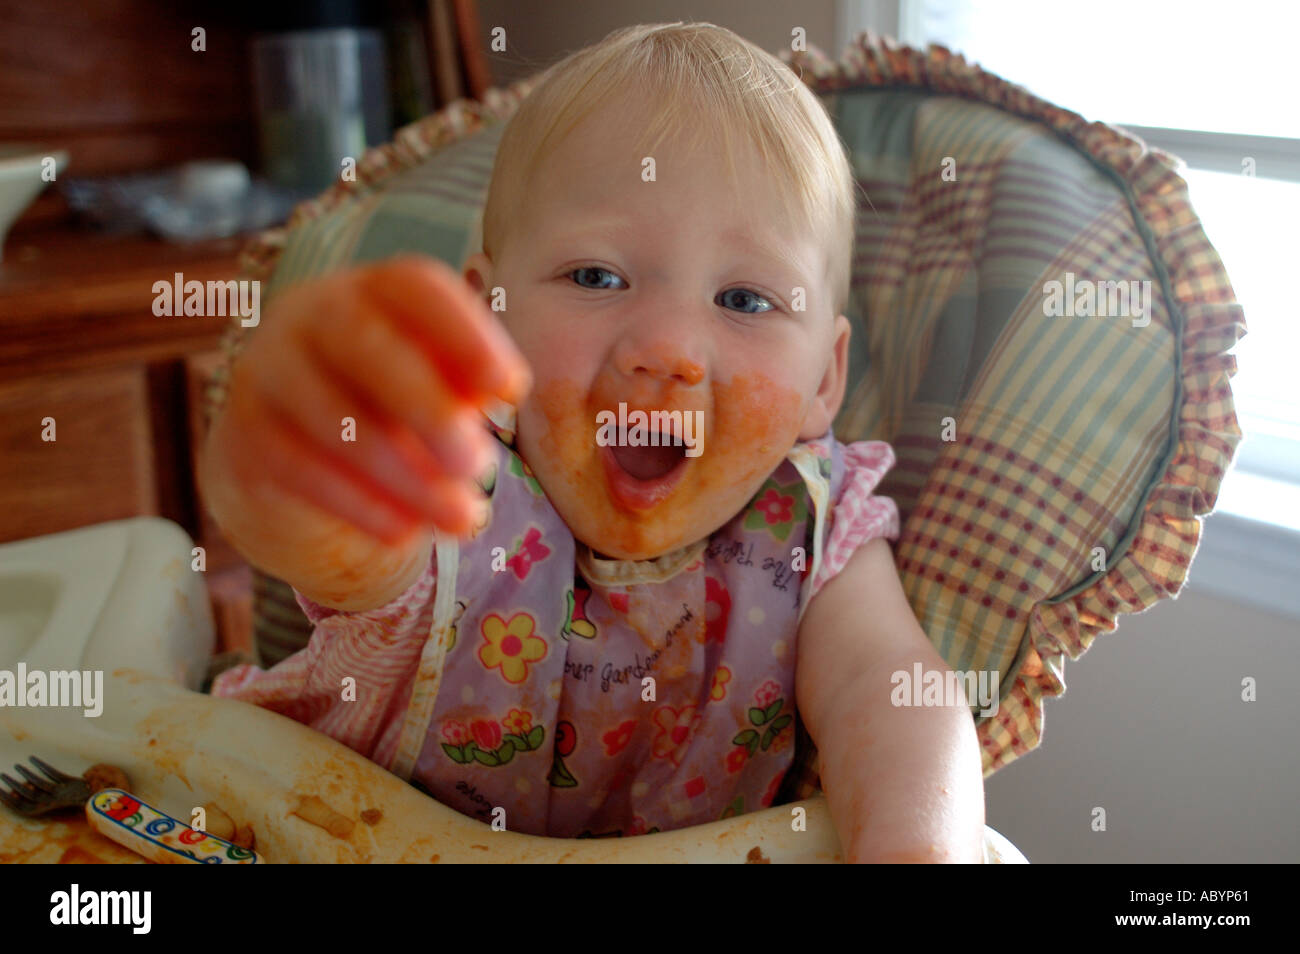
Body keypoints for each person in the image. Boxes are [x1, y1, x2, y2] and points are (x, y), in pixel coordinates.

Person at [201, 21, 985, 861]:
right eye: (597, 277)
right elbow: (335, 533)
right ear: (487, 312)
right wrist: (302, 445)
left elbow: (892, 693)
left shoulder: (808, 528)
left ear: (824, 380)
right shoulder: (457, 475)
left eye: (747, 300)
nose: (669, 349)